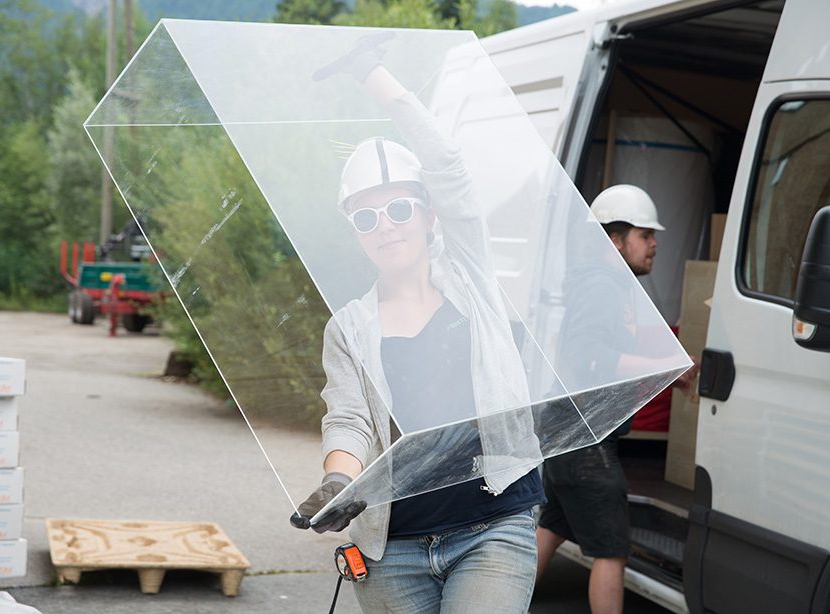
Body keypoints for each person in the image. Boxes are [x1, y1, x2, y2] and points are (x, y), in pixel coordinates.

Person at [290, 38, 546, 614]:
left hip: (493, 523)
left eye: (400, 208)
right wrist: (338, 482)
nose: (386, 225)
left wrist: (370, 73)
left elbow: (447, 165)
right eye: (366, 216)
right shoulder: (349, 327)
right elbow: (350, 418)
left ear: (429, 215)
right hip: (391, 547)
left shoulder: (471, 279)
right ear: (355, 232)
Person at [535, 184, 699, 614]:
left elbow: (609, 368)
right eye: (645, 235)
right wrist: (662, 367)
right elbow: (587, 357)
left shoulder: (613, 285)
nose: (655, 243)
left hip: (571, 431)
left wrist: (666, 375)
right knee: (611, 549)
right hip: (585, 437)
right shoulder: (601, 285)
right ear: (614, 239)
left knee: (551, 527)